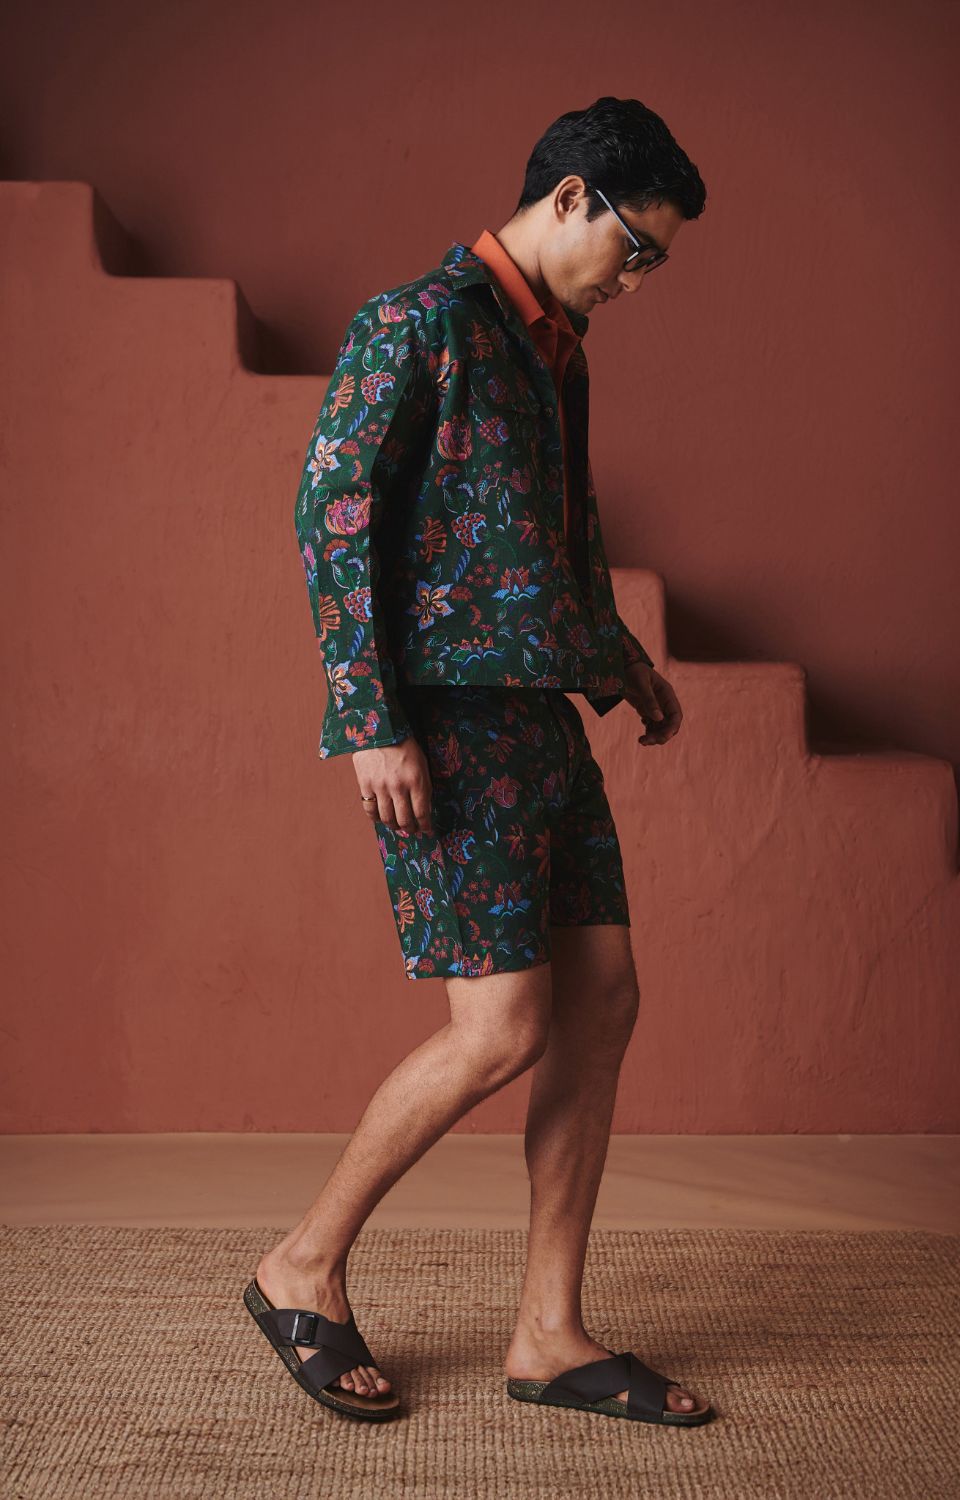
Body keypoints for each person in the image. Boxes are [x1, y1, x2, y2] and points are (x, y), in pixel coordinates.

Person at [244, 95, 714, 1427]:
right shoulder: (420, 322)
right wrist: (369, 718)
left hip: (541, 721)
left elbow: (560, 530)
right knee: (502, 1026)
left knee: (603, 1000)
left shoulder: (557, 351)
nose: (638, 278)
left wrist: (618, 660)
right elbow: (331, 512)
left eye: (657, 260)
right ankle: (302, 1266)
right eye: (636, 247)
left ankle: (550, 1335)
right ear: (569, 198)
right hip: (445, 726)